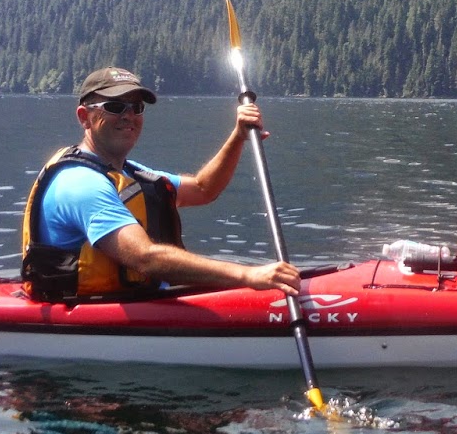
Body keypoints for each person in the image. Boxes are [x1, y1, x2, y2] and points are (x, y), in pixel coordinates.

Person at [21, 66, 301, 302]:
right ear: (85, 117)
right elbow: (145, 258)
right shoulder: (81, 184)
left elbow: (203, 189)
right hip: (89, 312)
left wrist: (238, 136)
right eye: (115, 107)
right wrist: (247, 275)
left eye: (136, 107)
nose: (128, 116)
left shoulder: (128, 172)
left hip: (140, 299)